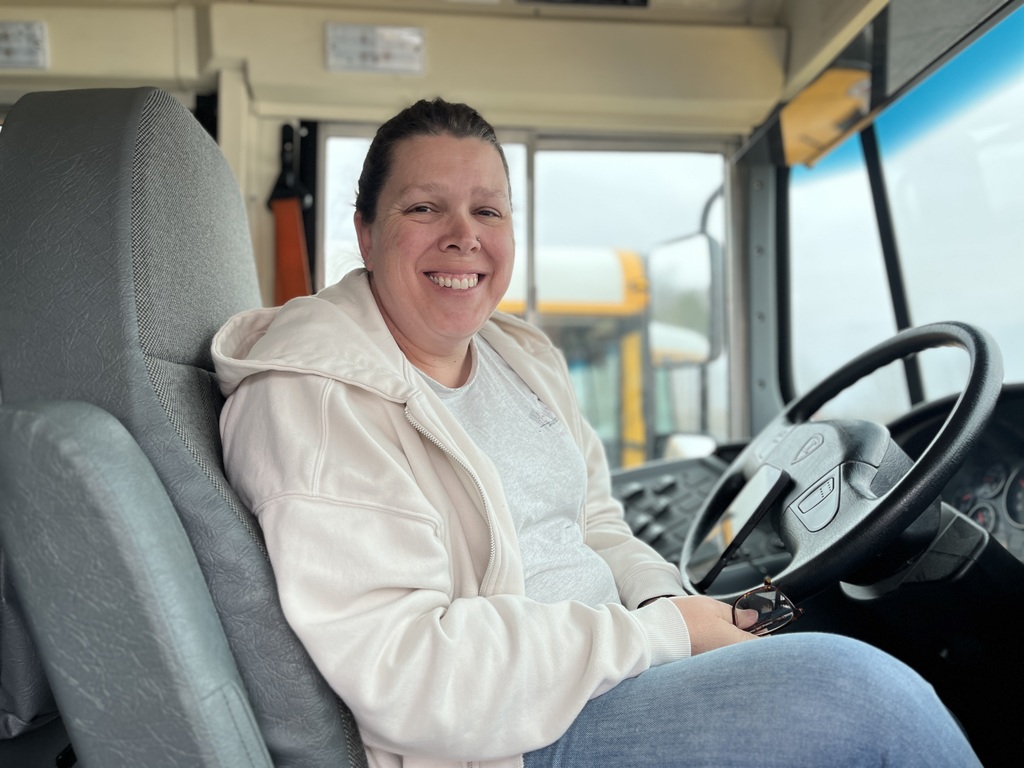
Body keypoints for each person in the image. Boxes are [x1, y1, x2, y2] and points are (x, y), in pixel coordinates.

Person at [212, 98, 980, 768]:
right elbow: (410, 674)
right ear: (366, 231)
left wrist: (670, 605)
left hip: (612, 668)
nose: (463, 236)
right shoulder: (317, 398)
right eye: (424, 208)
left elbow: (595, 525)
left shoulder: (521, 357)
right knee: (863, 699)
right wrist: (665, 634)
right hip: (509, 737)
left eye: (488, 211)